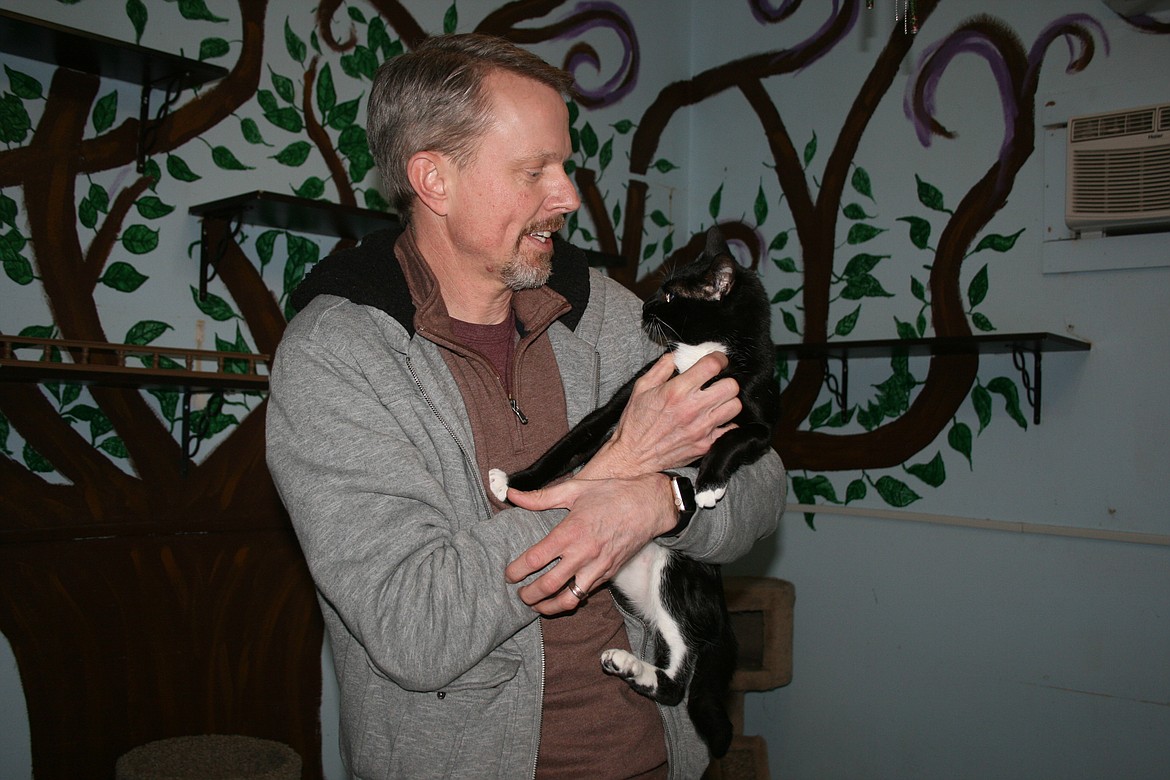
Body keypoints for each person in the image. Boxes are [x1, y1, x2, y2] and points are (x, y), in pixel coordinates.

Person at [266, 33, 786, 779]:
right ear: (434, 180)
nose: (569, 195)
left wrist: (660, 500)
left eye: (565, 163)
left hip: (661, 761)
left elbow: (764, 483)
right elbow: (414, 626)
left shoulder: (602, 311)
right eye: (534, 169)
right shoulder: (337, 357)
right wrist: (621, 467)